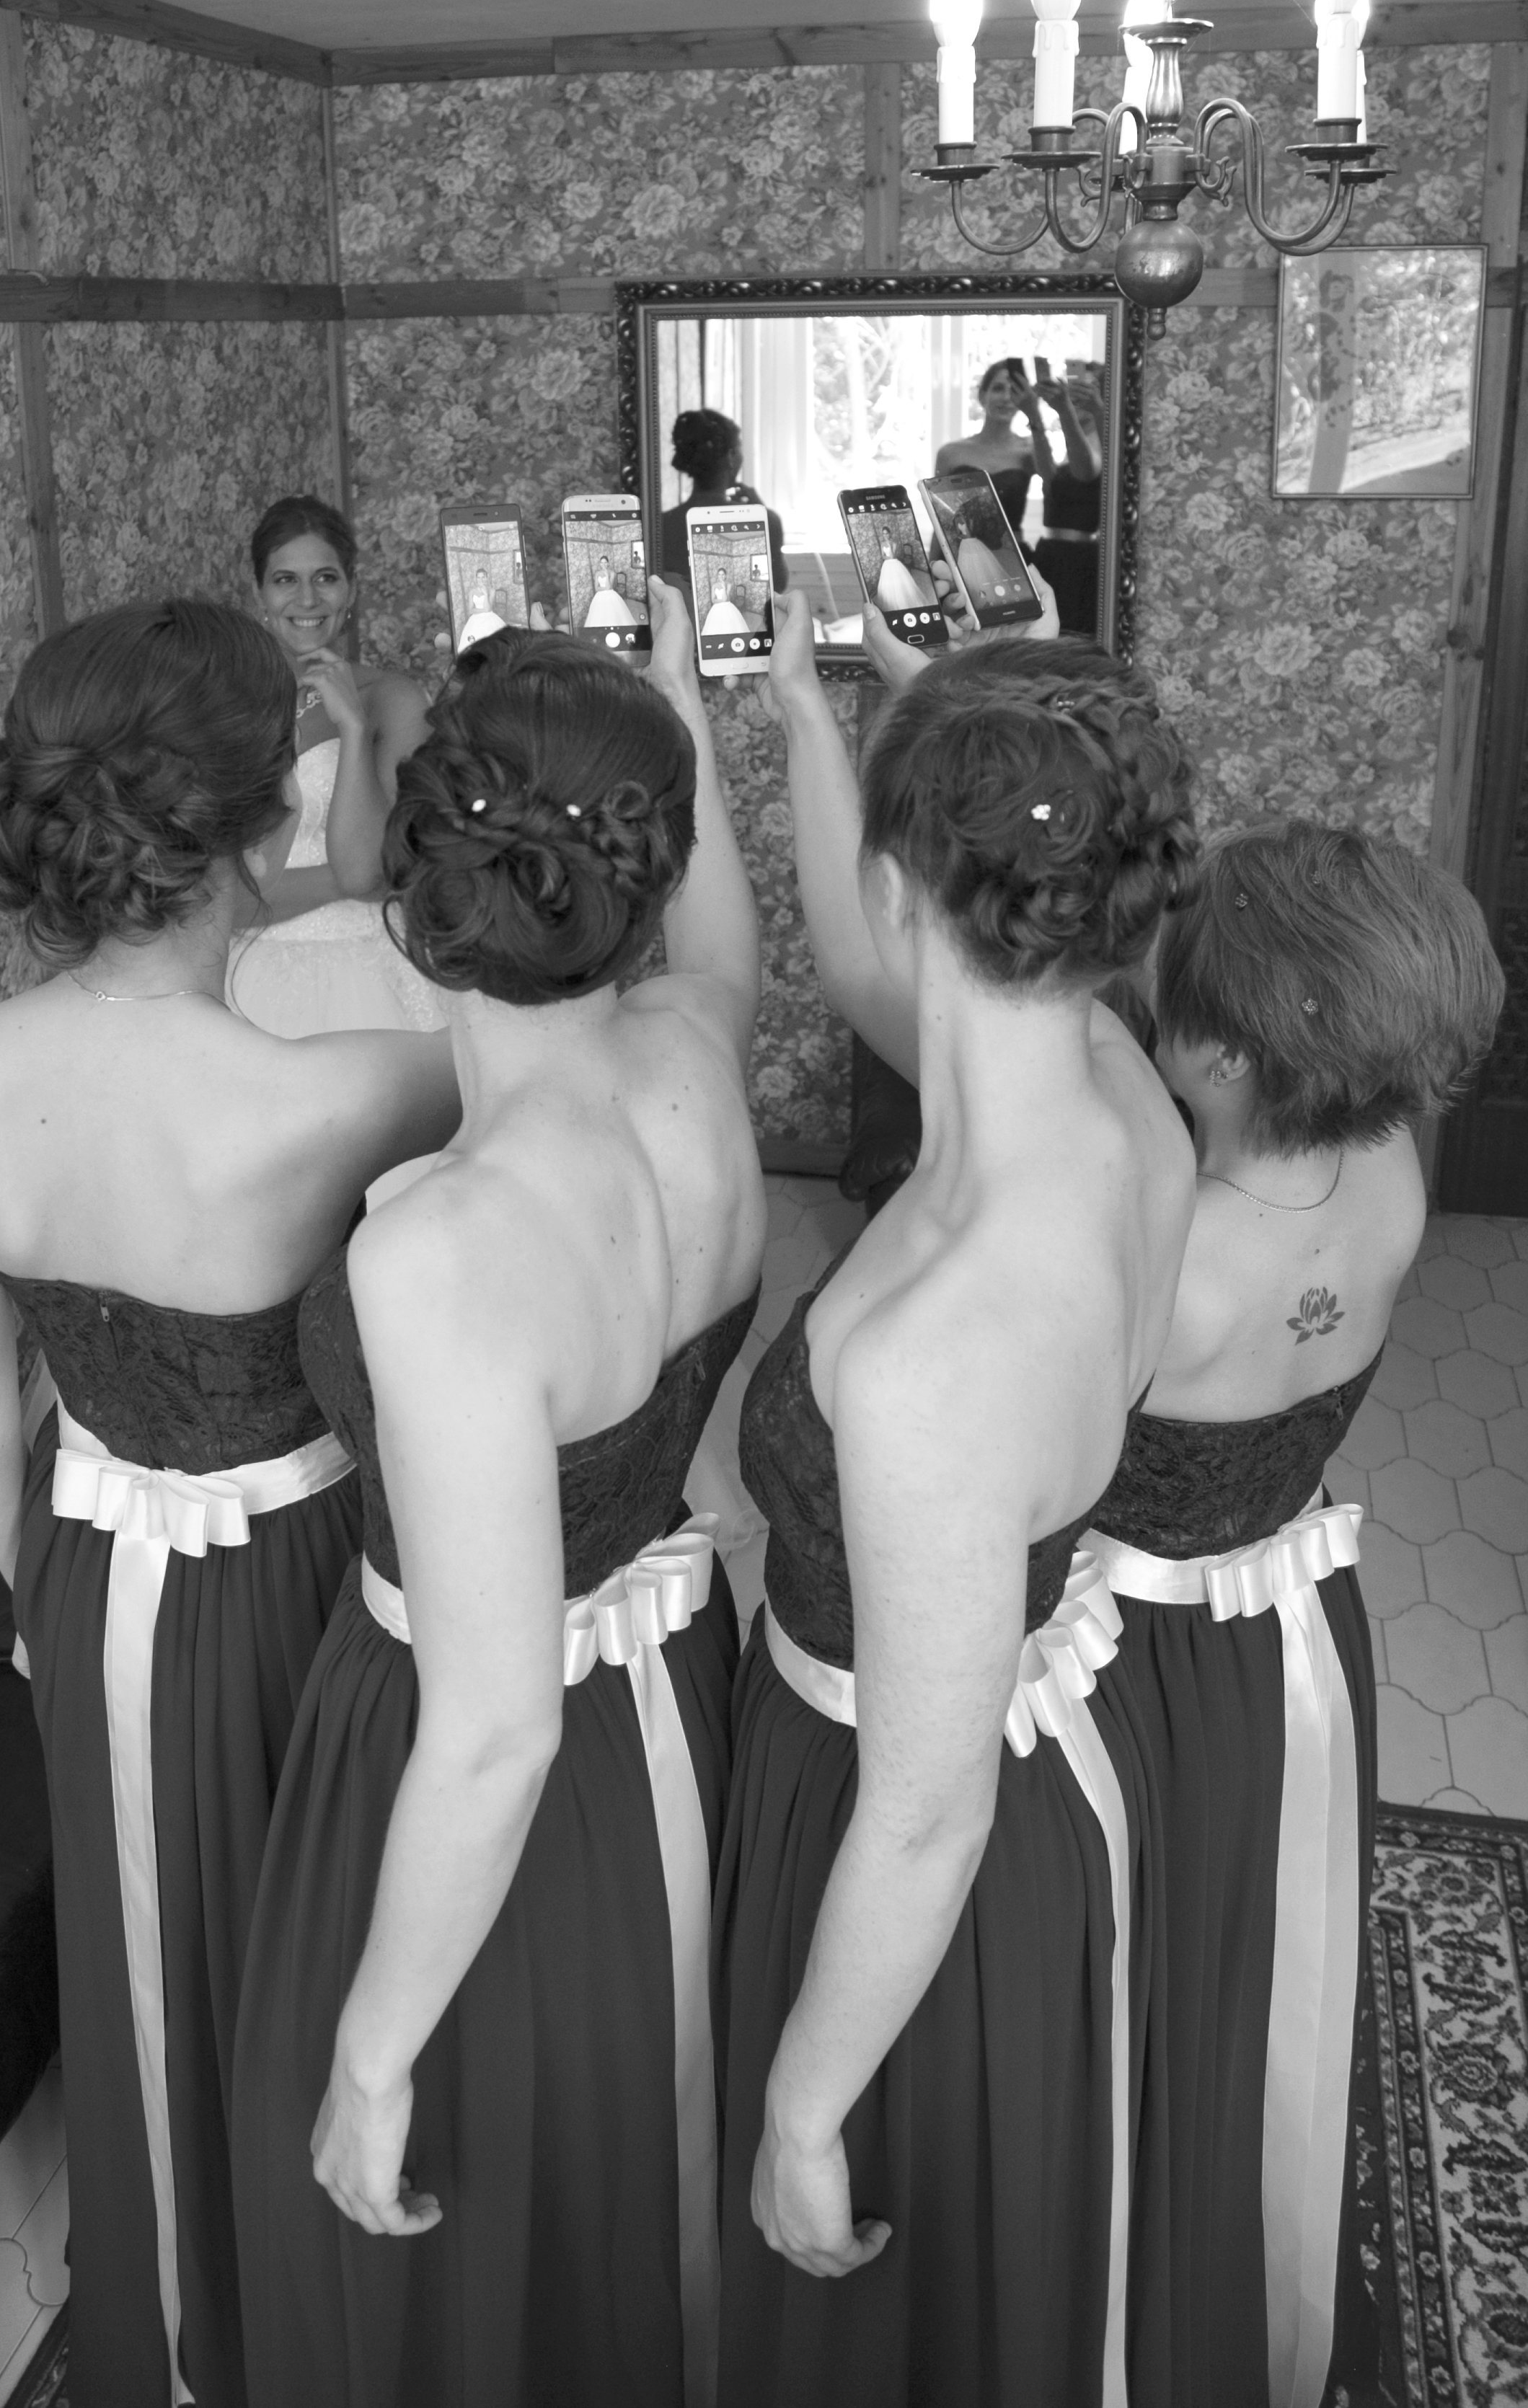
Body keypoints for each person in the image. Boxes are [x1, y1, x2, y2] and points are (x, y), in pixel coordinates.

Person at [0, 600, 463, 2408]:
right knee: (325, 1938)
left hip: (82, 1568)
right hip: (298, 1571)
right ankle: (338, 2308)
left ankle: (186, 2332)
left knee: (148, 1957)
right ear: (266, 806)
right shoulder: (340, 1093)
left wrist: (47, 1610)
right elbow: (562, 1043)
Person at [232, 580, 767, 2408]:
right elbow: (724, 928)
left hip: (492, 1760)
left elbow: (492, 1730)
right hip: (680, 1691)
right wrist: (678, 699)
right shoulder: (703, 1049)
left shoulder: (445, 1249)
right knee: (631, 2155)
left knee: (475, 2219)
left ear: (410, 880)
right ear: (644, 870)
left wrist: (372, 2051)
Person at [716, 597, 1201, 2408]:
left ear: (910, 883)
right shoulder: (1120, 1094)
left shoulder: (940, 1350)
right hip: (1008, 1743)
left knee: (888, 2338)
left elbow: (921, 1820)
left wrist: (801, 2105)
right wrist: (817, 717)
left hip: (910, 1834)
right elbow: (883, 975)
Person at [1077, 822, 1505, 2408]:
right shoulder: (1389, 1174)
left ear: (1222, 1050)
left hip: (1120, 1660)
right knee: (1253, 1964)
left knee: (1116, 1982)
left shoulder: (1156, 1248)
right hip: (1295, 1634)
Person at [230, 495, 444, 1037]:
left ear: (350, 590)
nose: (307, 599)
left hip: (371, 970)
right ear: (259, 593)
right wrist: (352, 880)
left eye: (325, 578)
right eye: (285, 580)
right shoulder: (224, 708)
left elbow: (386, 870)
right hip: (243, 971)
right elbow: (219, 895)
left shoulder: (394, 700)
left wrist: (351, 727)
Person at [658, 407, 789, 594]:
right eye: (739, 448)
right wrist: (761, 516)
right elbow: (777, 587)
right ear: (731, 457)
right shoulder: (766, 522)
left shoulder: (661, 526)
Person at [1029, 371, 1106, 637]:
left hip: (1079, 561)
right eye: (1072, 391)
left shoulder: (1104, 443)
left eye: (1085, 390)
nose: (1075, 397)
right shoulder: (1072, 444)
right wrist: (1033, 414)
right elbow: (1047, 477)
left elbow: (1085, 472)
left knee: (1071, 636)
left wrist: (1065, 412)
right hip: (1051, 554)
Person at [934, 359, 1039, 536]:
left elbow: (1054, 487)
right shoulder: (950, 454)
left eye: (1014, 391)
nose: (1006, 398)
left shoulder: (1029, 451)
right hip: (963, 550)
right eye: (998, 389)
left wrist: (1034, 414)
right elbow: (942, 522)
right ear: (983, 396)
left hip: (1014, 550)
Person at [870, 526, 937, 615]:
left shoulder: (894, 543)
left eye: (887, 533)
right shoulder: (882, 544)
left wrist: (889, 545)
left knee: (900, 583)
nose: (885, 535)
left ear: (889, 534)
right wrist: (887, 556)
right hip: (887, 564)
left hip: (894, 562)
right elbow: (883, 556)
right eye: (884, 534)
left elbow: (892, 556)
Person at [455, 567, 508, 651]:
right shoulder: (472, 592)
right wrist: (484, 610)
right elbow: (471, 610)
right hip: (476, 618)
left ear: (486, 578)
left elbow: (489, 608)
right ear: (476, 579)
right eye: (479, 578)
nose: (481, 580)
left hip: (490, 617)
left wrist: (486, 594)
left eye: (483, 577)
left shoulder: (492, 590)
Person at [583, 552, 637, 627]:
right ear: (600, 564)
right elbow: (596, 588)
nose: (603, 564)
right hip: (600, 595)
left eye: (605, 562)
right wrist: (605, 588)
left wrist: (606, 575)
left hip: (611, 594)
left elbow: (609, 586)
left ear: (608, 563)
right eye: (602, 563)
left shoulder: (612, 573)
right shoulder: (597, 573)